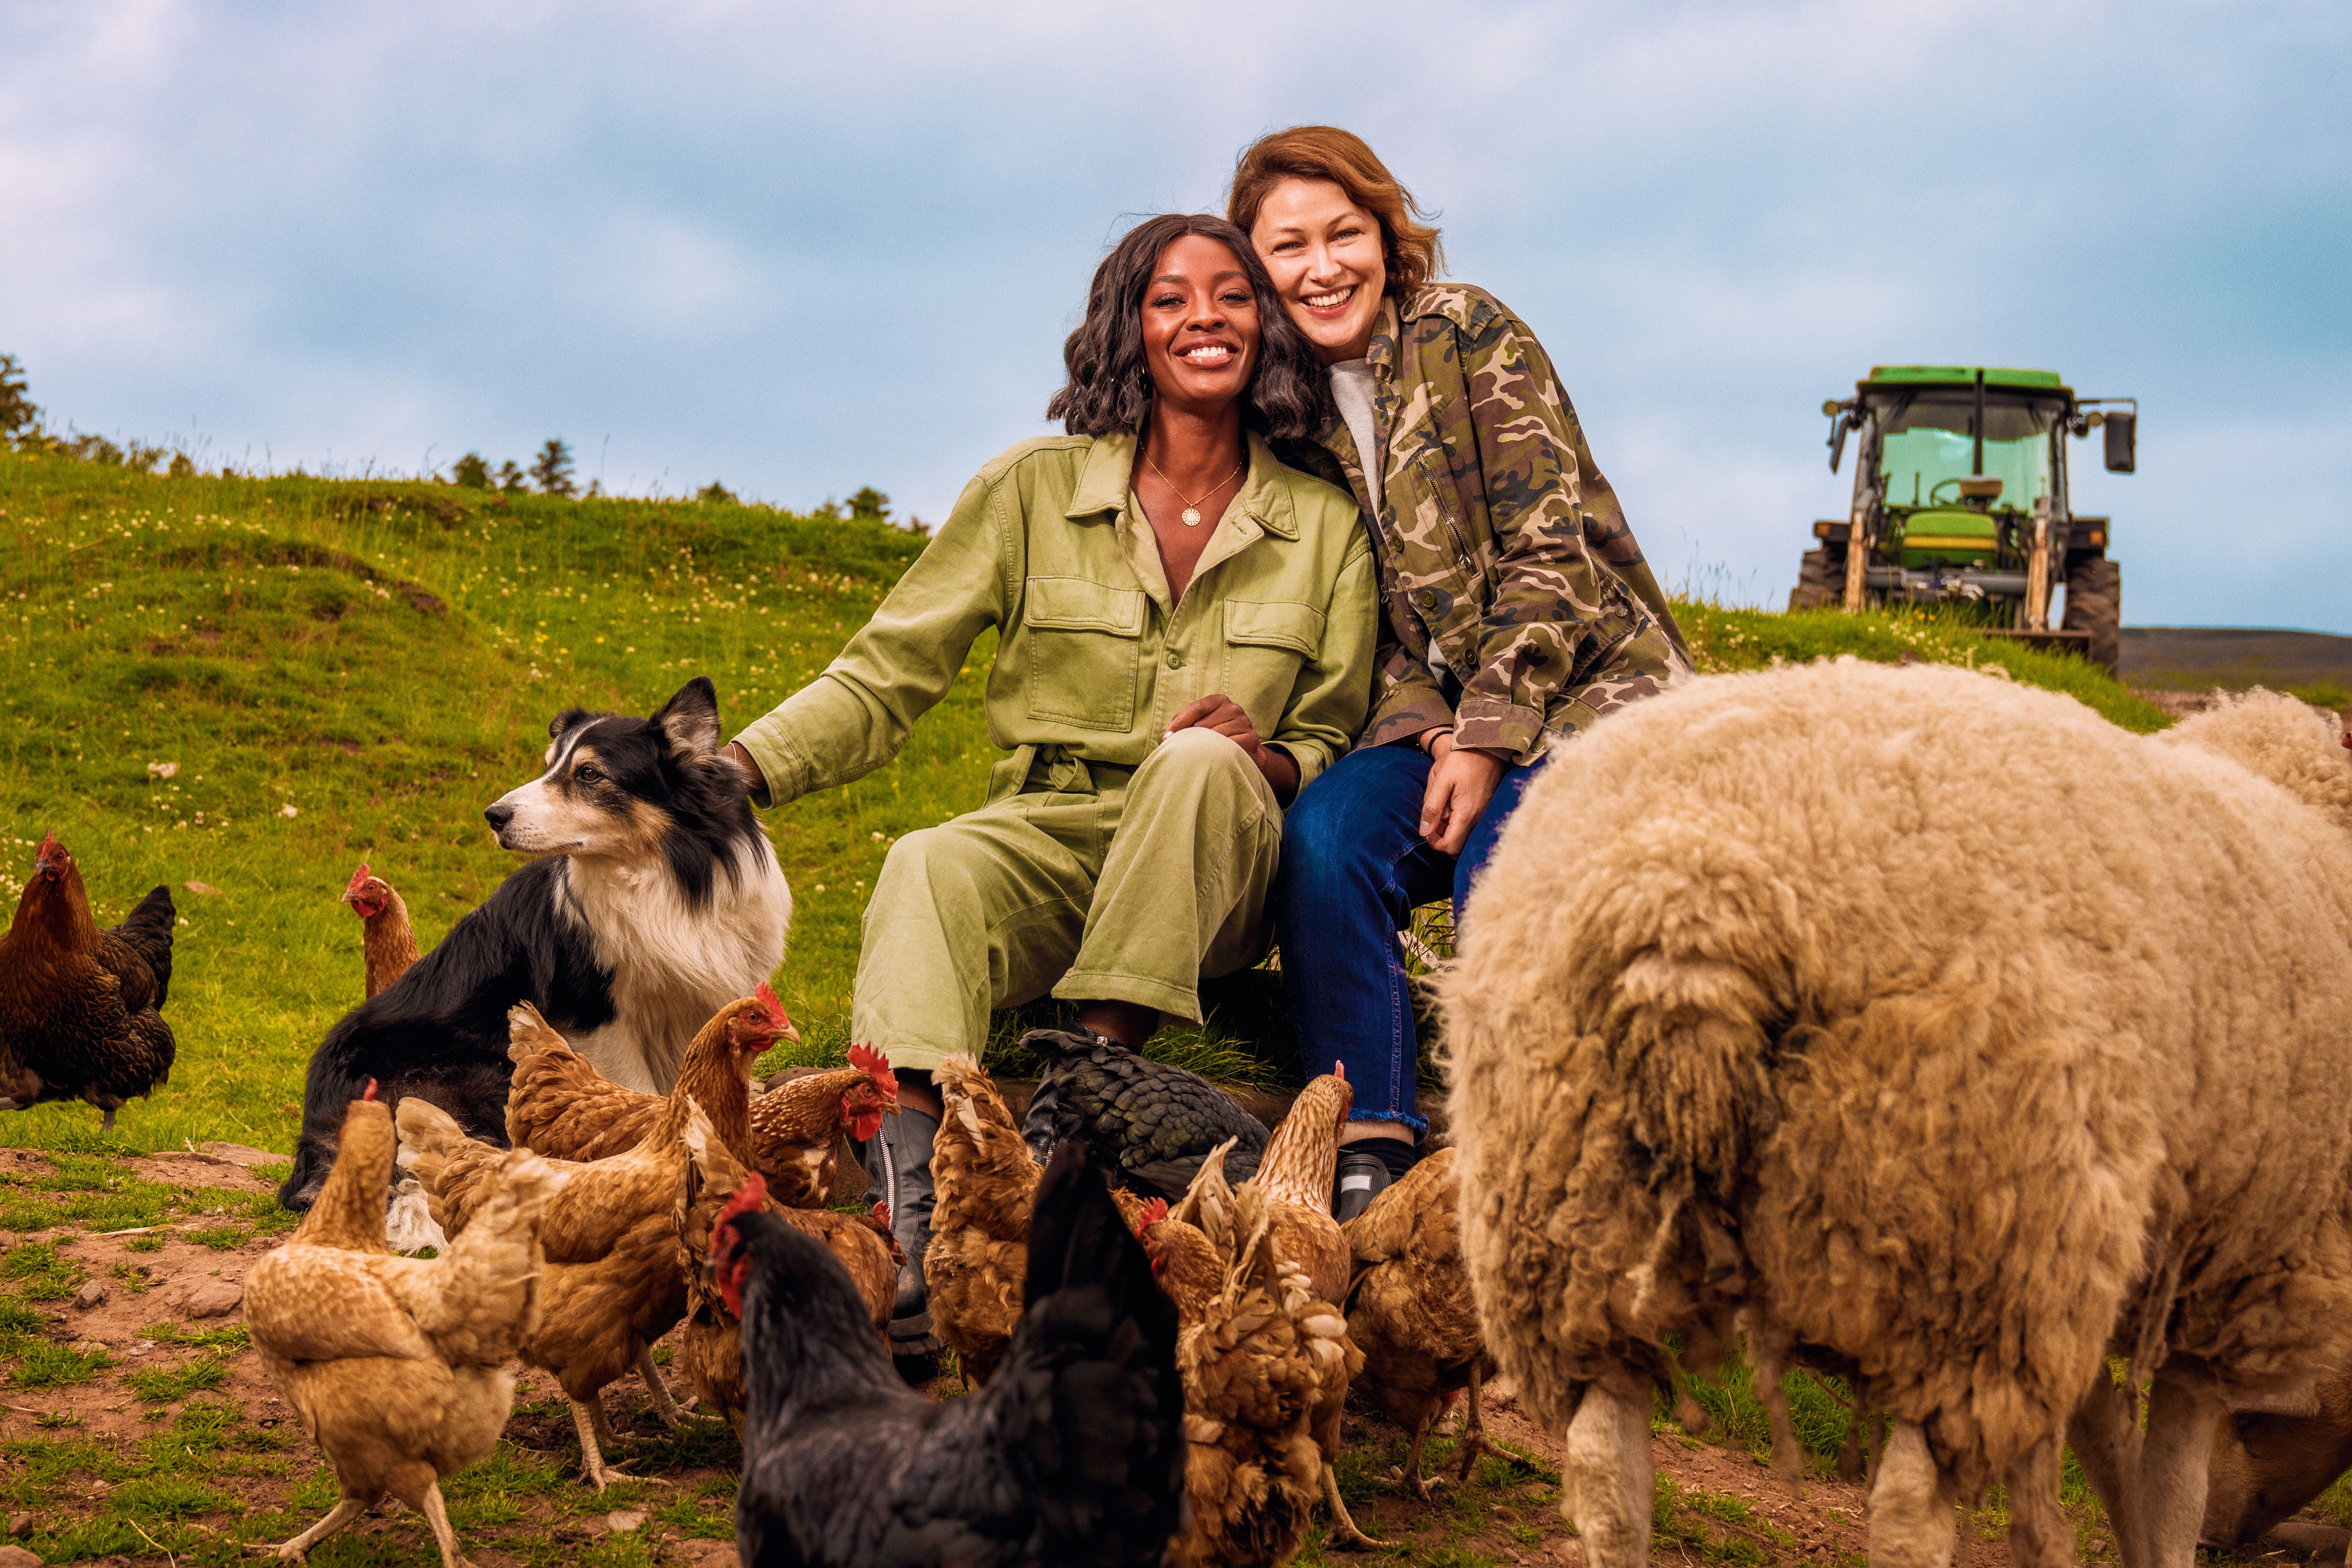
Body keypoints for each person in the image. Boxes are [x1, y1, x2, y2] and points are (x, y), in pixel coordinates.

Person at [725, 213, 1376, 1355]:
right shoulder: (1030, 488)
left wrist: (1268, 755)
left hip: (1218, 857)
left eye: (1232, 296)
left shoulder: (1323, 524)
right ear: (1129, 324)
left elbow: (1332, 731)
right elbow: (888, 672)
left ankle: (1085, 1079)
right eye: (1172, 298)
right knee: (929, 860)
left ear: (1267, 329)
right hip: (1054, 831)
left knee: (1199, 761)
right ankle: (917, 1218)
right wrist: (738, 768)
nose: (1205, 319)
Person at [1228, 126, 1689, 1221]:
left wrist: (1486, 739)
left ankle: (1536, 1146)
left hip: (1588, 693)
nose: (1323, 266)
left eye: (1346, 234)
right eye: (1289, 246)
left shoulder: (1468, 333)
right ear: (1255, 264)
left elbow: (1550, 549)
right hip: (1442, 719)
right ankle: (1371, 1139)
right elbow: (1369, 624)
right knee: (1330, 838)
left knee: (1506, 857)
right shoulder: (1285, 417)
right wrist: (1434, 733)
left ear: (1389, 240)